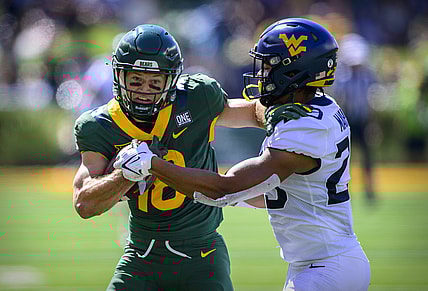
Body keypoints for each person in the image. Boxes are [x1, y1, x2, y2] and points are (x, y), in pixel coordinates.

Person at [125, 18, 371, 291]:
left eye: (269, 66)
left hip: (326, 268)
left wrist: (152, 164)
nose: (262, 74)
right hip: (321, 264)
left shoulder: (304, 127)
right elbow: (272, 194)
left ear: (295, 71)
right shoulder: (317, 107)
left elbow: (224, 188)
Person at [72, 24, 267, 291]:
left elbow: (251, 112)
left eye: (155, 82)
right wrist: (124, 174)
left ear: (171, 81)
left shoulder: (197, 98)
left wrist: (294, 109)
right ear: (120, 76)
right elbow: (84, 203)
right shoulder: (100, 126)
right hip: (142, 256)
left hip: (203, 255)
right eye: (136, 80)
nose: (144, 90)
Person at [333, 33, 377, 202]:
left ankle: (369, 189)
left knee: (367, 157)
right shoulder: (343, 77)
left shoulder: (367, 76)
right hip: (347, 121)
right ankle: (342, 187)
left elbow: (371, 101)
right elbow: (339, 101)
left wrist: (372, 123)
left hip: (363, 121)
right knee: (344, 157)